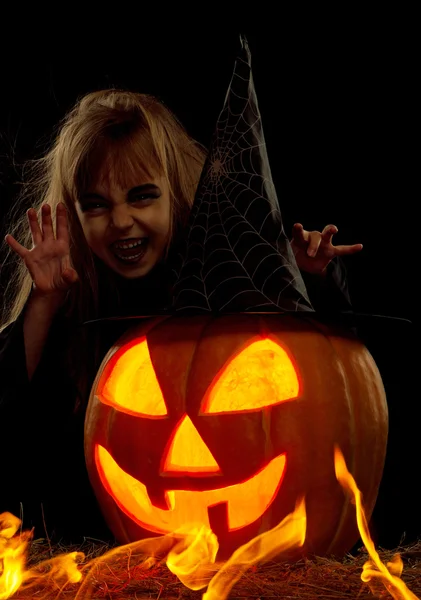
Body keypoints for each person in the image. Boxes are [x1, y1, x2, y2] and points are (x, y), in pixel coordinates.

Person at [0, 89, 362, 543]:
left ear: (174, 190)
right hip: (98, 552)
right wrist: (44, 302)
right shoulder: (69, 302)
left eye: (142, 197)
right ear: (72, 215)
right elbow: (9, 429)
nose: (121, 221)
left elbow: (335, 392)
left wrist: (306, 281)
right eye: (96, 204)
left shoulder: (230, 277)